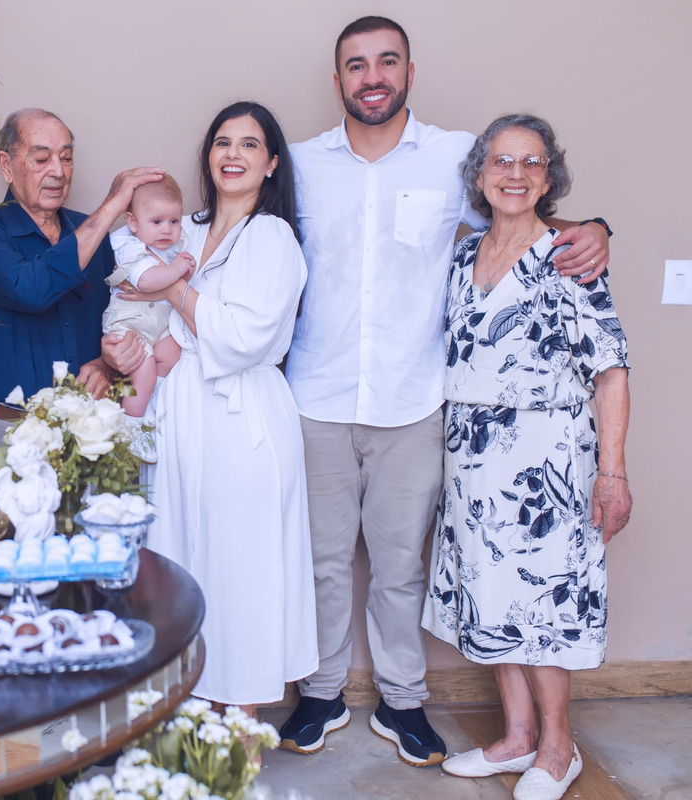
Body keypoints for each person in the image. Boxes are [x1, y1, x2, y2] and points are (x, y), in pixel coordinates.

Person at [278, 16, 611, 767]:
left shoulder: (456, 156)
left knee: (400, 567)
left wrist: (596, 227)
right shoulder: (298, 164)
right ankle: (322, 693)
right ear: (338, 80)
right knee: (323, 562)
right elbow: (234, 220)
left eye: (387, 62)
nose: (373, 77)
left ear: (409, 72)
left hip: (414, 399)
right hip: (315, 396)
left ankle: (403, 701)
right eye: (357, 65)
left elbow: (520, 208)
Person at [424, 114, 630, 800]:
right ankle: (516, 738)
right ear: (480, 175)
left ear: (549, 177)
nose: (515, 174)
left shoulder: (568, 255)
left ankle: (558, 748)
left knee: (542, 600)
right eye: (501, 162)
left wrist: (613, 471)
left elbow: (611, 371)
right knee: (491, 593)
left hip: (547, 459)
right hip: (471, 455)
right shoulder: (463, 255)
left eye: (531, 162)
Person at [125, 101, 318, 714]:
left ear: (271, 163)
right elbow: (126, 284)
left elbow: (241, 339)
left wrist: (173, 286)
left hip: (240, 418)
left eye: (249, 144)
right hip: (179, 408)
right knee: (178, 556)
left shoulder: (271, 236)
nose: (233, 154)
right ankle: (188, 716)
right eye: (222, 142)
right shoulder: (182, 228)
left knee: (241, 568)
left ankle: (241, 731)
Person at [0, 109, 160, 487]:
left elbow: (120, 315)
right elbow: (31, 290)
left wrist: (107, 364)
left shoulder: (92, 233)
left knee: (102, 529)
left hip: (91, 432)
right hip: (9, 435)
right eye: (41, 159)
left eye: (66, 158)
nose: (59, 171)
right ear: (6, 165)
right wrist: (113, 206)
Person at [103, 175, 196, 417]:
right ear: (133, 222)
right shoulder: (130, 247)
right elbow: (147, 281)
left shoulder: (170, 247)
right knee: (144, 372)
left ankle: (154, 403)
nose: (167, 229)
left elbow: (173, 285)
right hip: (130, 325)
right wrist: (177, 269)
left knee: (172, 355)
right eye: (156, 221)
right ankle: (132, 421)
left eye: (174, 221)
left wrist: (185, 273)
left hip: (159, 322)